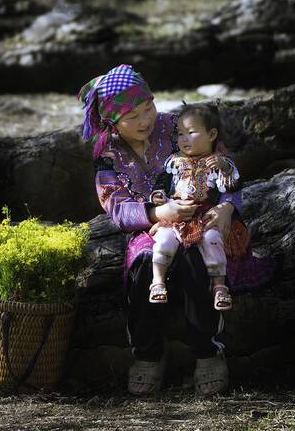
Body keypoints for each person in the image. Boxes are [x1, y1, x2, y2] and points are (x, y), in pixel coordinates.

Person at [78, 63, 242, 397]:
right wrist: (157, 212)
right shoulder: (109, 157)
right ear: (112, 121)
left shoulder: (176, 126)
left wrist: (227, 206)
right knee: (143, 266)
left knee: (197, 261)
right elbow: (117, 208)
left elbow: (224, 166)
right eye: (133, 116)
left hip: (200, 219)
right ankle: (148, 353)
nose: (145, 120)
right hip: (149, 229)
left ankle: (208, 351)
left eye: (148, 108)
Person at [148, 104, 244, 311]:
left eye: (191, 132)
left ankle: (219, 285)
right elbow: (162, 183)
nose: (184, 139)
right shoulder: (174, 162)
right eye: (180, 134)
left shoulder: (220, 163)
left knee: (212, 239)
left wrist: (224, 168)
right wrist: (158, 195)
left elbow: (234, 186)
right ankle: (157, 281)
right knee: (164, 239)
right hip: (176, 217)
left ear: (212, 135)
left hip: (206, 217)